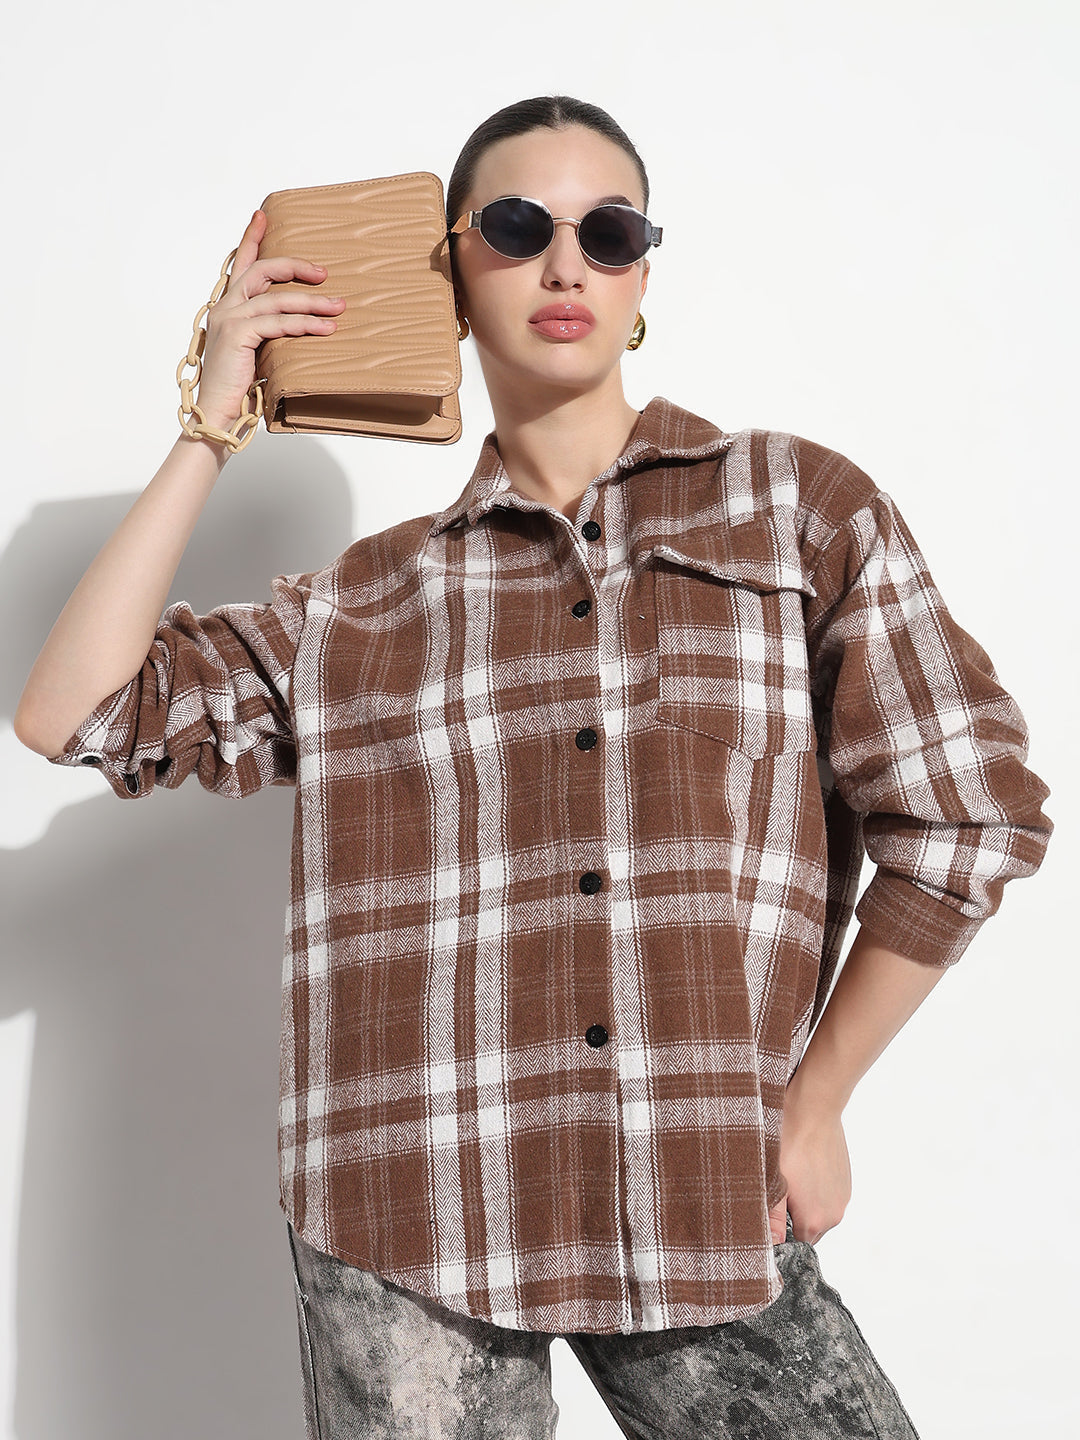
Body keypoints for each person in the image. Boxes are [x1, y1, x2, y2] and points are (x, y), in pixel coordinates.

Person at [15, 95, 1052, 1439]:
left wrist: (819, 1099)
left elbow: (967, 813)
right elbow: (79, 712)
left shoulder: (794, 511)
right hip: (405, 1209)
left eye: (609, 233)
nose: (567, 264)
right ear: (451, 269)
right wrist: (212, 422)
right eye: (517, 227)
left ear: (641, 281)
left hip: (699, 1181)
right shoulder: (365, 604)